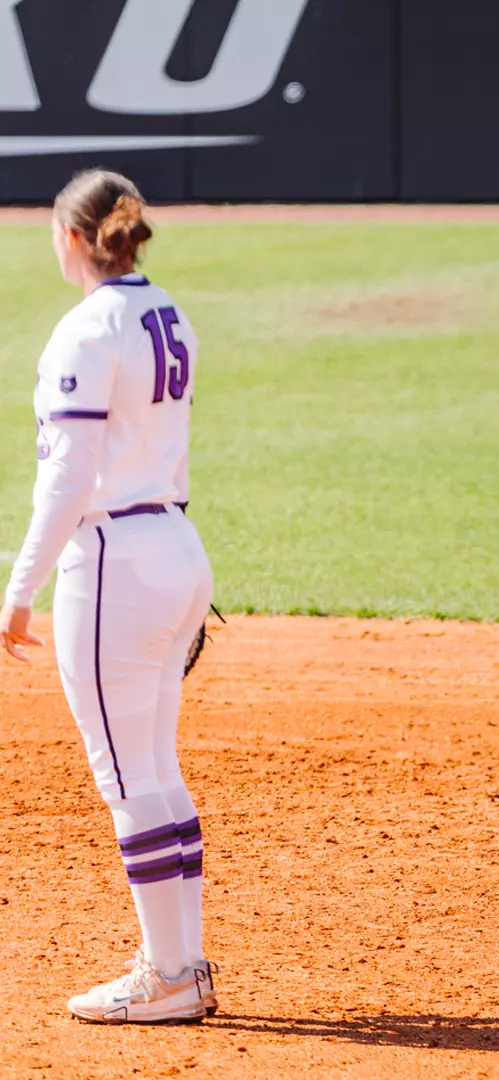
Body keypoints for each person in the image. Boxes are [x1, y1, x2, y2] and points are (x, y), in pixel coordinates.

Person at [0, 170, 218, 1023]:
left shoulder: (87, 330)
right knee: (154, 767)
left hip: (114, 561)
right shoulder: (170, 314)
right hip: (175, 546)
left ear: (72, 237)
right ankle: (181, 965)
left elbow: (68, 479)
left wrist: (19, 589)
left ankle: (168, 977)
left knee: (128, 778)